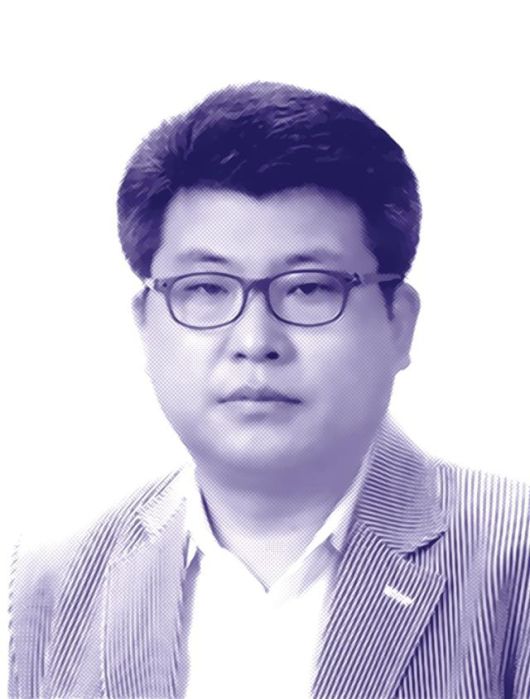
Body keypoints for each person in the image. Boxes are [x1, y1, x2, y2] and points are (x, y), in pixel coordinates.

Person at [8, 82, 530, 699]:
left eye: (308, 288)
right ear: (147, 326)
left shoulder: (513, 556)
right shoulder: (56, 577)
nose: (255, 341)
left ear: (398, 324)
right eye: (206, 288)